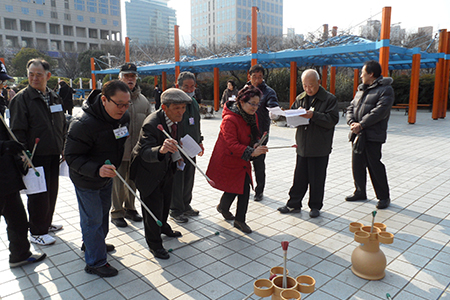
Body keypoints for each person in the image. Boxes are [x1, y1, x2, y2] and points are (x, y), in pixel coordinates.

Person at [64, 80, 131, 277]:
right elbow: (71, 157)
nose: (124, 109)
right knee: (92, 218)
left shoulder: (123, 117)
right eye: (119, 104)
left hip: (107, 175)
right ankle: (95, 262)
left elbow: (120, 138)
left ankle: (93, 243)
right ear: (104, 99)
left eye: (127, 104)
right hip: (87, 178)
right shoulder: (83, 124)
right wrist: (97, 169)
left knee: (102, 215)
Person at [9, 58, 65, 246]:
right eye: (31, 74)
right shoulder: (21, 99)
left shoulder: (54, 96)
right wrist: (23, 154)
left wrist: (63, 145)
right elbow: (17, 131)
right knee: (38, 195)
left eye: (38, 74)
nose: (34, 78)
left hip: (53, 152)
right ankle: (36, 231)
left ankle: (46, 224)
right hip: (34, 155)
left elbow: (60, 124)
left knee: (51, 192)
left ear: (48, 76)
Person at [130, 88, 191, 259]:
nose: (181, 112)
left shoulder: (175, 119)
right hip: (148, 171)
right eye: (177, 108)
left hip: (166, 167)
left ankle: (163, 226)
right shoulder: (151, 123)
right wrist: (162, 150)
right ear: (164, 107)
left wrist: (176, 156)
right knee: (152, 208)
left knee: (165, 202)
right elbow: (145, 152)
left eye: (183, 108)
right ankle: (154, 244)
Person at [0, 64, 47, 268]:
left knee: (18, 218)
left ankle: (20, 254)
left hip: (5, 175)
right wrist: (4, 146)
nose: (2, 84)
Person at [277, 69, 339, 218]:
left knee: (317, 178)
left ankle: (315, 206)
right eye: (305, 85)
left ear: (319, 82)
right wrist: (286, 115)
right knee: (299, 177)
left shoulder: (329, 99)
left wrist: (313, 115)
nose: (307, 89)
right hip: (302, 145)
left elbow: (332, 120)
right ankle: (294, 204)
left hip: (319, 146)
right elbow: (292, 115)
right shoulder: (301, 97)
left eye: (311, 85)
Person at [206, 85, 268, 233]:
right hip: (228, 159)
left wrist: (256, 142)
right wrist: (252, 152)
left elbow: (255, 133)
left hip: (241, 159)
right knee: (234, 188)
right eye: (251, 103)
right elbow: (232, 144)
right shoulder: (229, 119)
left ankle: (239, 219)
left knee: (243, 188)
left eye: (257, 104)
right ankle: (225, 209)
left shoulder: (252, 115)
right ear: (241, 101)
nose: (255, 107)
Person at [345, 60, 394, 209]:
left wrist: (362, 124)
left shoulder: (386, 90)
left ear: (371, 74)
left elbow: (379, 112)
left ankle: (383, 197)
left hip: (372, 135)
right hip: (358, 134)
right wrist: (351, 122)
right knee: (357, 164)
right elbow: (351, 107)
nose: (361, 76)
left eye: (363, 73)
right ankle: (360, 191)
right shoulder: (361, 89)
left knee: (374, 165)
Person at [111, 63, 151, 228]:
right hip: (118, 150)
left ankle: (130, 208)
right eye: (126, 76)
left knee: (133, 181)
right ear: (120, 77)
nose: (130, 79)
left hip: (137, 150)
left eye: (133, 76)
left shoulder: (143, 100)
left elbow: (150, 124)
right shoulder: (113, 98)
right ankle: (117, 212)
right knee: (117, 182)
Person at [169, 71, 204, 223]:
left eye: (192, 86)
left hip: (192, 147)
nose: (189, 90)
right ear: (178, 86)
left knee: (189, 177)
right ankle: (175, 209)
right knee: (178, 178)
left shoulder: (194, 103)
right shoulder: (172, 102)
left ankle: (186, 205)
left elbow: (197, 123)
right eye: (186, 87)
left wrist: (200, 140)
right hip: (178, 147)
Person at [245, 64, 280, 202]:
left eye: (260, 77)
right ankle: (244, 188)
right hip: (245, 132)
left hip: (260, 134)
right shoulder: (245, 90)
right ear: (250, 76)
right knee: (243, 161)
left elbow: (273, 104)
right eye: (255, 77)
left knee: (258, 163)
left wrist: (274, 110)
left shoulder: (268, 92)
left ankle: (259, 191)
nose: (257, 80)